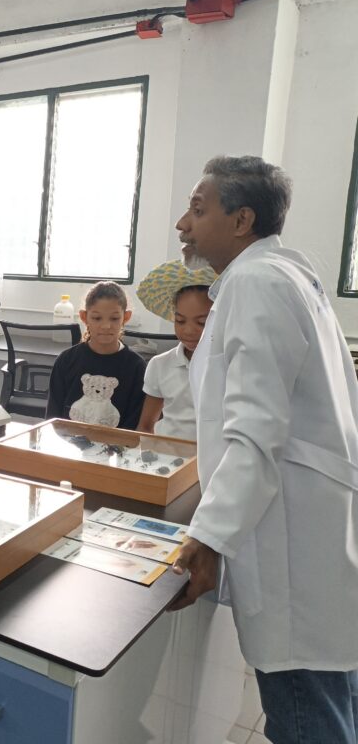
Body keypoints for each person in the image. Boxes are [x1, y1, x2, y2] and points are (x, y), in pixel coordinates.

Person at [169, 156, 358, 744]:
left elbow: (255, 431)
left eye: (198, 209)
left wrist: (205, 538)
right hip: (313, 528)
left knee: (305, 713)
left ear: (242, 219)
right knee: (330, 698)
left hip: (291, 542)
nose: (182, 224)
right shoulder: (288, 276)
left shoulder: (257, 283)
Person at [46, 281, 146, 429]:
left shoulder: (136, 366)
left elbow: (134, 424)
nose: (106, 326)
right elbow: (53, 417)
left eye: (114, 318)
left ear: (126, 317)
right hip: (68, 441)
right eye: (97, 318)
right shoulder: (66, 360)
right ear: (84, 317)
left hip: (115, 443)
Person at [134, 260, 216, 440]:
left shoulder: (231, 364)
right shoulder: (160, 364)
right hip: (166, 453)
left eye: (201, 322)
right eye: (180, 321)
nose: (188, 330)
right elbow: (146, 426)